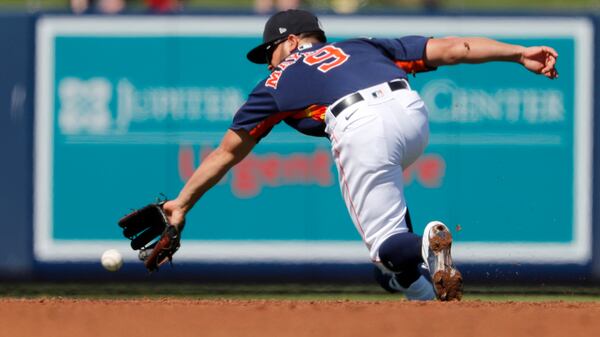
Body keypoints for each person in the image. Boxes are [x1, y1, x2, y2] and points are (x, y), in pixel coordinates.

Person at [161, 9, 558, 301]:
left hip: (360, 124)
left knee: (386, 243)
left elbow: (227, 152)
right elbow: (457, 48)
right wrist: (518, 53)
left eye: (271, 49)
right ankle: (425, 295)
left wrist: (181, 203)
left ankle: (426, 246)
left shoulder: (275, 81)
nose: (269, 61)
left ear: (294, 41)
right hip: (412, 114)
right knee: (389, 262)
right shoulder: (364, 45)